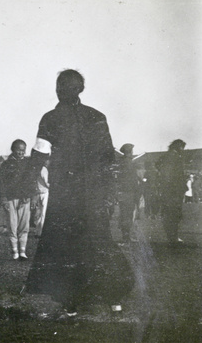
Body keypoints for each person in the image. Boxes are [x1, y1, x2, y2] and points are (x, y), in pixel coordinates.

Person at [25, 69, 134, 315]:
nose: (62, 90)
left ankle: (72, 302)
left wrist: (25, 185)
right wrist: (109, 191)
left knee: (66, 246)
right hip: (92, 193)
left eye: (63, 86)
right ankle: (113, 298)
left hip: (66, 194)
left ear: (62, 90)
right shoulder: (97, 116)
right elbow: (109, 159)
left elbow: (39, 155)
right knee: (99, 242)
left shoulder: (50, 118)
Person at [0, 139, 36, 260]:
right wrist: (3, 199)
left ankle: (23, 251)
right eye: (18, 150)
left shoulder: (28, 163)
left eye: (23, 150)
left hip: (25, 199)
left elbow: (32, 181)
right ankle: (15, 251)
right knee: (12, 226)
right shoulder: (6, 164)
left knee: (24, 226)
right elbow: (1, 183)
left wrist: (31, 196)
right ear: (13, 150)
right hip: (10, 199)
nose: (20, 152)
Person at [156, 139, 187, 246]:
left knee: (168, 214)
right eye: (182, 147)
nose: (183, 150)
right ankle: (173, 237)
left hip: (167, 191)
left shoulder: (165, 157)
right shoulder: (176, 158)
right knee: (175, 214)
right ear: (179, 147)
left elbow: (158, 166)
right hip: (174, 191)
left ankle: (171, 236)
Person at [115, 143, 141, 243]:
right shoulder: (128, 163)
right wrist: (137, 191)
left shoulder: (121, 162)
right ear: (129, 152)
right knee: (128, 214)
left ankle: (125, 235)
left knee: (124, 214)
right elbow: (132, 180)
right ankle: (126, 237)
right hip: (129, 192)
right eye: (131, 151)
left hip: (123, 192)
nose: (132, 153)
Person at [34, 159, 50, 238]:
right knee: (43, 212)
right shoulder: (44, 169)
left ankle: (37, 231)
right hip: (44, 192)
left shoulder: (37, 169)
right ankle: (41, 232)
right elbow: (46, 183)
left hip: (38, 192)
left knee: (38, 213)